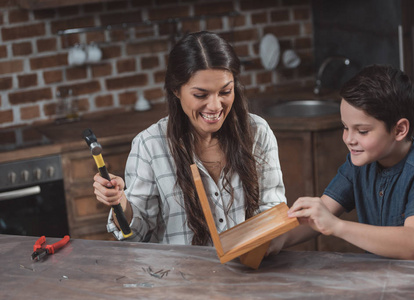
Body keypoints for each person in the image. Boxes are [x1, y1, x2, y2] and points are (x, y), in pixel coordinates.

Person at [92, 31, 286, 246]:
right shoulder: (150, 145)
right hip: (180, 277)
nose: (215, 106)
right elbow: (137, 235)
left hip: (247, 273)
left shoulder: (257, 131)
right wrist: (121, 204)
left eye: (225, 91)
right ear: (176, 90)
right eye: (201, 95)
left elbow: (272, 210)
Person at [269, 64, 414, 259]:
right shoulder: (359, 165)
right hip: (380, 280)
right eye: (345, 127)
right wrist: (279, 240)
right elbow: (321, 214)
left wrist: (336, 226)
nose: (349, 139)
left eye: (362, 131)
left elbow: (413, 244)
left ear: (399, 130)